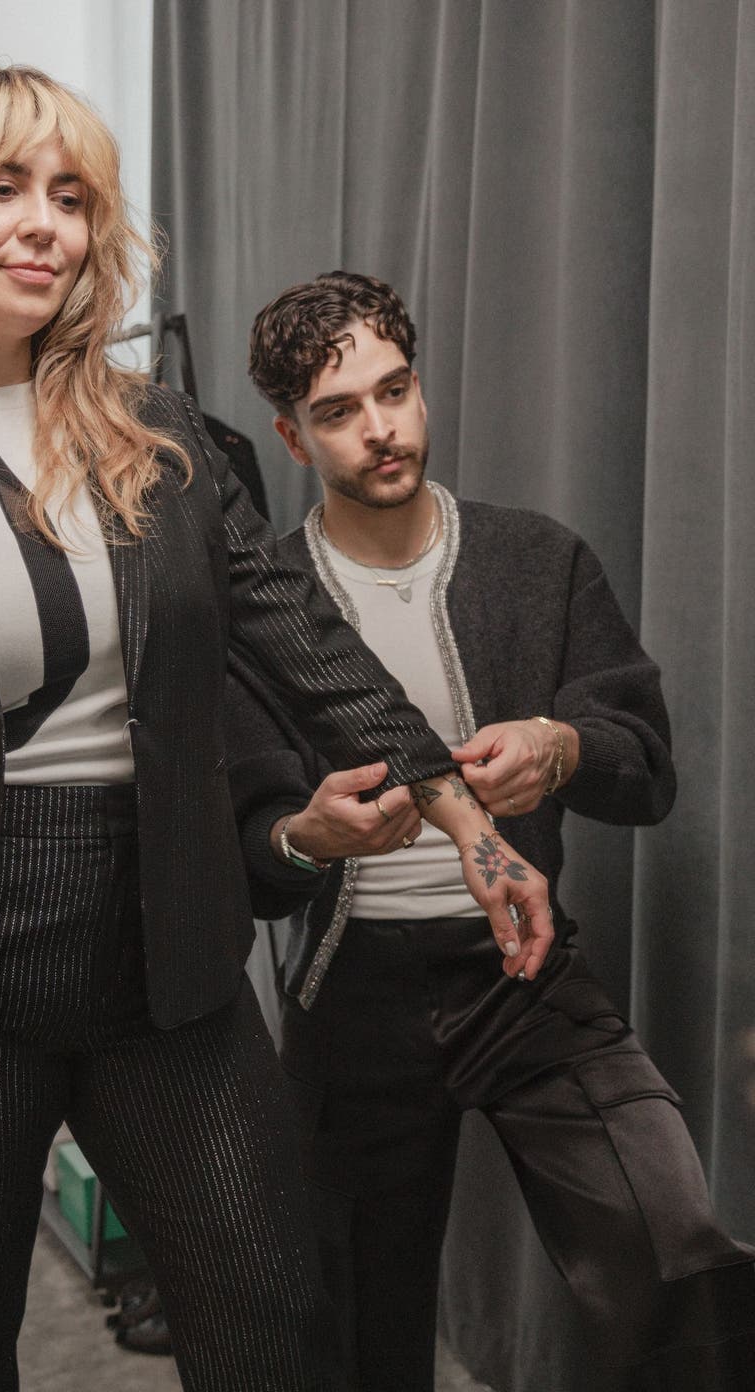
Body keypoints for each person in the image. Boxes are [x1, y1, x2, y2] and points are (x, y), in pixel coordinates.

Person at [0, 66, 555, 1392]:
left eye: (69, 194)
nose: (45, 222)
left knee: (277, 1325)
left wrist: (470, 826)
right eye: (3, 187)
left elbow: (309, 646)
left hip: (161, 967)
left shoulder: (157, 437)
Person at [231, 270, 755, 1391]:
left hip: (520, 970)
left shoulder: (536, 560)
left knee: (669, 1241)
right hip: (351, 995)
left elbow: (646, 769)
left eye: (394, 390)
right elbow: (246, 852)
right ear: (288, 434)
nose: (379, 429)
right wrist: (310, 838)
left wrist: (559, 746)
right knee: (357, 1325)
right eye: (337, 411)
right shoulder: (262, 599)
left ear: (419, 388)